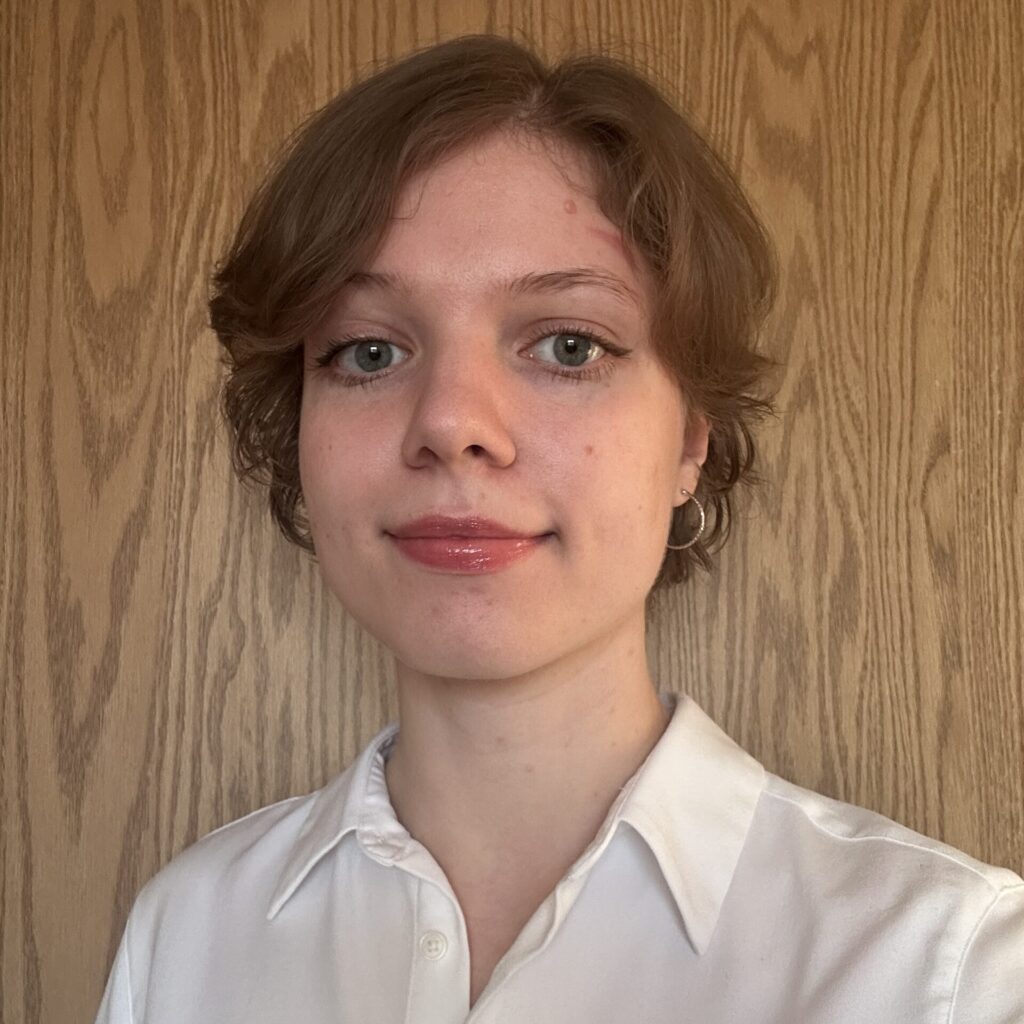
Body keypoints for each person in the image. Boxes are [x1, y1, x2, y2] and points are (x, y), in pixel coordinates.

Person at [94, 33, 1023, 1023]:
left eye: (568, 345)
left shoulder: (952, 969)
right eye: (368, 351)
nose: (451, 423)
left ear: (689, 442)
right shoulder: (189, 934)